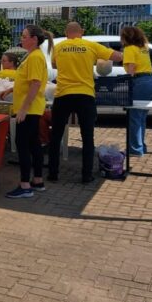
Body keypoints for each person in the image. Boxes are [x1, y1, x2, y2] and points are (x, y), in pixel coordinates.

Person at [47, 21, 123, 184]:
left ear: (66, 33)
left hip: (63, 94)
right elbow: (117, 56)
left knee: (56, 136)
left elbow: (54, 64)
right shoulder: (91, 46)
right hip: (85, 95)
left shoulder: (58, 47)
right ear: (81, 31)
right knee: (88, 138)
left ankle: (53, 173)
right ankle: (86, 176)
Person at [0, 25, 53, 198]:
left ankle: (25, 185)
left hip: (29, 109)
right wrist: (11, 90)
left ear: (34, 39)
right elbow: (27, 81)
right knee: (34, 144)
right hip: (31, 108)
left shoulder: (35, 57)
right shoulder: (33, 55)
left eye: (24, 36)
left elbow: (35, 84)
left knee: (22, 145)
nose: (21, 39)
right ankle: (37, 180)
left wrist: (23, 109)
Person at [120, 26, 152, 156]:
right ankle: (140, 146)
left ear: (126, 37)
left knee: (134, 117)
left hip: (141, 82)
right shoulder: (144, 48)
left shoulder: (129, 48)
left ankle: (135, 150)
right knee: (141, 117)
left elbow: (131, 69)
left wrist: (125, 82)